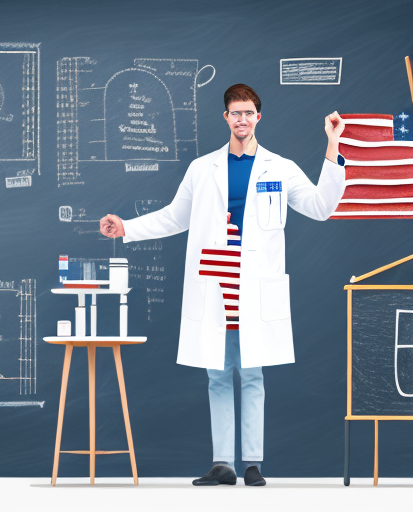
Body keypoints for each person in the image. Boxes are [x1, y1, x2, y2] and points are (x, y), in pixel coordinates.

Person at [100, 84, 345, 486]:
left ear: (258, 116)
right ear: (226, 118)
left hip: (253, 285)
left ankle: (252, 464)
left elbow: (321, 207)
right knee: (216, 374)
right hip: (215, 282)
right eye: (235, 113)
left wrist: (332, 145)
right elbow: (175, 217)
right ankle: (222, 464)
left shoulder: (278, 168)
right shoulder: (202, 168)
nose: (242, 120)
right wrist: (127, 227)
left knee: (251, 374)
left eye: (248, 112)